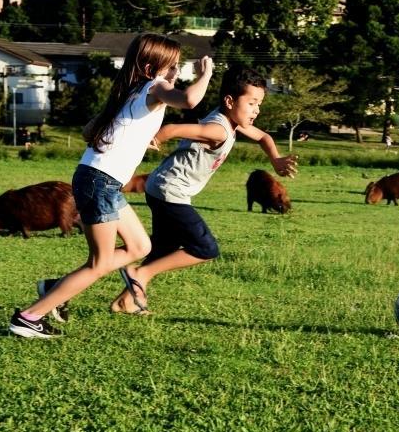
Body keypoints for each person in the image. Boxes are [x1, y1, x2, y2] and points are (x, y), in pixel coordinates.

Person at [8, 33, 214, 338]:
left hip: (100, 181)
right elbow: (190, 100)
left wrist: (137, 138)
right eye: (171, 66)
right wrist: (206, 73)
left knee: (140, 246)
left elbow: (87, 131)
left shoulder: (128, 94)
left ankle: (55, 288)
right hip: (99, 183)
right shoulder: (155, 87)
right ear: (149, 67)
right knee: (100, 262)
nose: (175, 73)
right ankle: (28, 318)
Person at [108, 66, 298, 315]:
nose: (257, 110)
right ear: (230, 101)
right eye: (252, 103)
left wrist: (275, 160)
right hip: (169, 191)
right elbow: (174, 129)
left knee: (163, 247)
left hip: (162, 187)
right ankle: (139, 273)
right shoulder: (218, 129)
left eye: (259, 103)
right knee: (205, 248)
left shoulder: (231, 121)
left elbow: (263, 137)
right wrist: (158, 137)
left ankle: (123, 298)